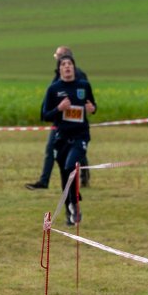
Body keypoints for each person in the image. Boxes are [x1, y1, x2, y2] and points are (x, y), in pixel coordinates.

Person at [40, 54, 96, 226]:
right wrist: (59, 108)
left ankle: (75, 202)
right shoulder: (53, 89)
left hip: (80, 136)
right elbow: (45, 115)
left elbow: (93, 106)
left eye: (70, 64)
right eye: (63, 64)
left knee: (70, 165)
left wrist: (92, 109)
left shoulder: (84, 86)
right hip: (61, 137)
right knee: (65, 176)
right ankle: (70, 212)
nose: (67, 66)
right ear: (60, 69)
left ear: (74, 67)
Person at [25, 46, 88, 190]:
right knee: (62, 149)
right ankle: (45, 181)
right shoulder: (59, 75)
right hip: (60, 118)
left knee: (62, 148)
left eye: (57, 56)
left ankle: (48, 181)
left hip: (70, 121)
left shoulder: (78, 76)